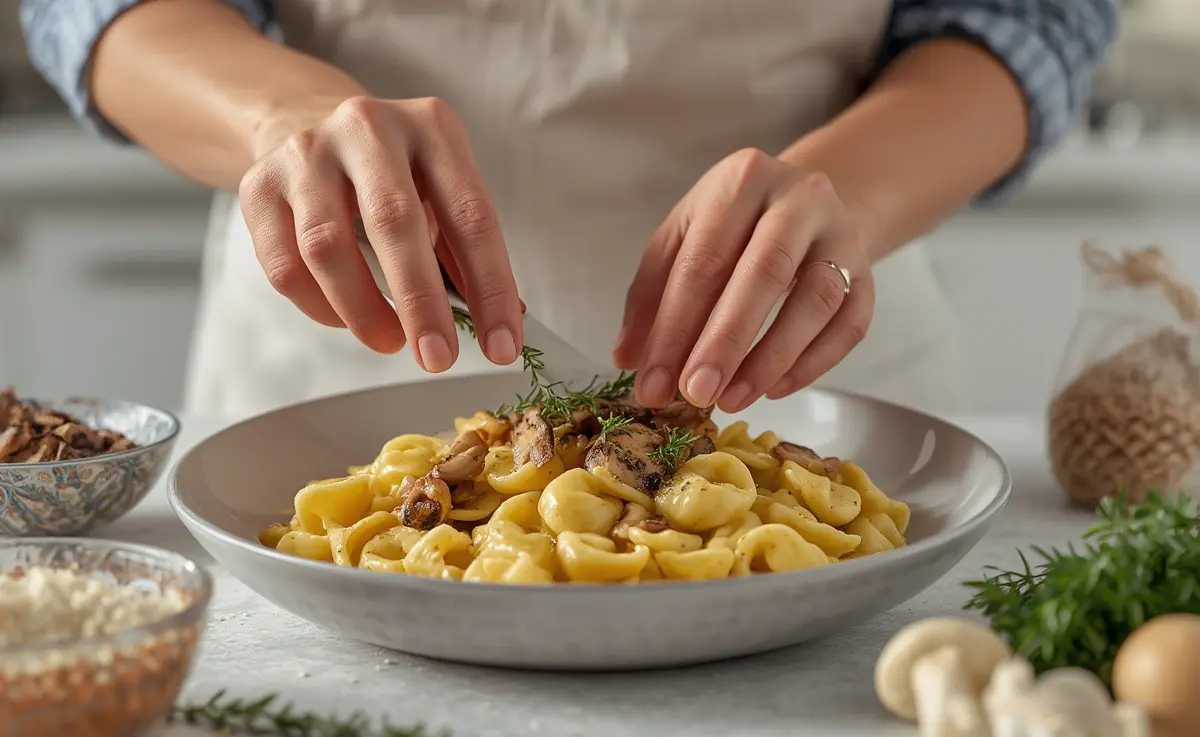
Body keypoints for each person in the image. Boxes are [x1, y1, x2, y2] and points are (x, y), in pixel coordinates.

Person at [23, 0, 1116, 418]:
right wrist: (279, 119)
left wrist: (858, 193)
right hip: (329, 377)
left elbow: (1035, 14)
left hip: (812, 373)